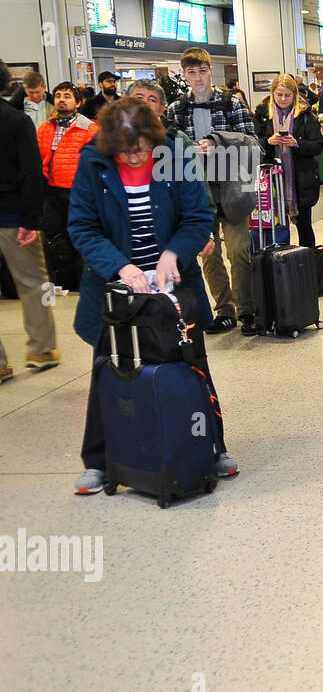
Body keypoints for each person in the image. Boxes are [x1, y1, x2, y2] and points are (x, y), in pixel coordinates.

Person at [66, 97, 238, 494]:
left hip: (172, 283)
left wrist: (173, 253)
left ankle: (211, 447)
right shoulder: (93, 162)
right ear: (110, 145)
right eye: (124, 151)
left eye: (140, 149)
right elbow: (83, 227)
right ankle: (98, 462)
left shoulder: (174, 155)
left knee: (193, 366)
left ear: (153, 139)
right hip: (116, 287)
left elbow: (198, 217)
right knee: (109, 369)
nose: (132, 157)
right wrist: (120, 267)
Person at [163, 47, 260, 335]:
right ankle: (224, 309)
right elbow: (168, 154)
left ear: (211, 71)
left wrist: (218, 143)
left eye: (202, 71)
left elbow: (254, 144)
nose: (198, 77)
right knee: (209, 253)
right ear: (185, 75)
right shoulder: (176, 109)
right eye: (191, 72)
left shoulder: (233, 104)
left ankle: (247, 309)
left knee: (239, 250)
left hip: (232, 187)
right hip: (198, 191)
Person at [0, 58, 59, 384]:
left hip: (11, 213)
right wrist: (32, 220)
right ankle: (42, 349)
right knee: (33, 284)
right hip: (13, 217)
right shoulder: (16, 121)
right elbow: (31, 175)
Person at [129, 79, 216, 263]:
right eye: (138, 97)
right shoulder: (105, 142)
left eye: (151, 99)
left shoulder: (177, 141)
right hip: (124, 243)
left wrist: (206, 231)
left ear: (163, 108)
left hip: (171, 240)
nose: (144, 103)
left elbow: (198, 186)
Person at [36, 81, 99, 292]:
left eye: (67, 96)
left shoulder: (90, 129)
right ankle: (63, 281)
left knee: (81, 236)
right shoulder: (45, 128)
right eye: (58, 96)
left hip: (81, 193)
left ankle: (85, 281)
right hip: (52, 192)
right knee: (55, 237)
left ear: (78, 102)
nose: (62, 99)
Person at [253, 74, 323, 249]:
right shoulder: (262, 114)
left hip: (301, 180)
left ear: (294, 94)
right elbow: (253, 143)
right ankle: (278, 263)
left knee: (304, 226)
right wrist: (268, 142)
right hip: (271, 180)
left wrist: (297, 143)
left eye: (287, 95)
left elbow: (318, 145)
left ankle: (307, 263)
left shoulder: (306, 114)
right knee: (273, 226)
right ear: (272, 94)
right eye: (279, 95)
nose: (283, 99)